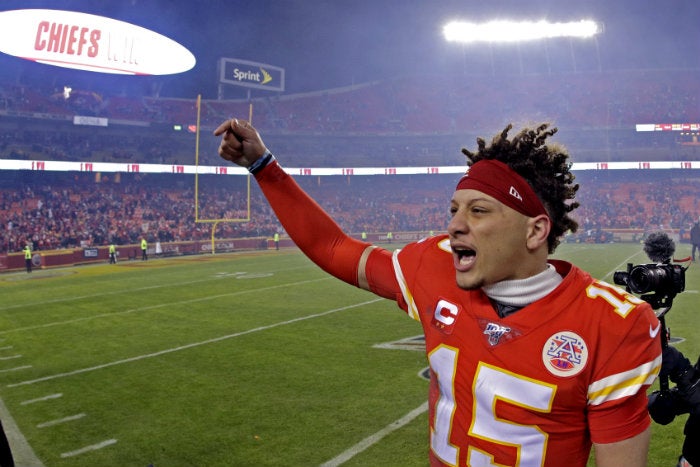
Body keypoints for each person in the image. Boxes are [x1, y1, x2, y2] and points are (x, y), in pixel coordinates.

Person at [215, 119, 662, 467]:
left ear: (535, 230)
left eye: (479, 210)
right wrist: (263, 167)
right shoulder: (434, 266)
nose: (455, 224)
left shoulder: (612, 323)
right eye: (454, 209)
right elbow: (333, 247)